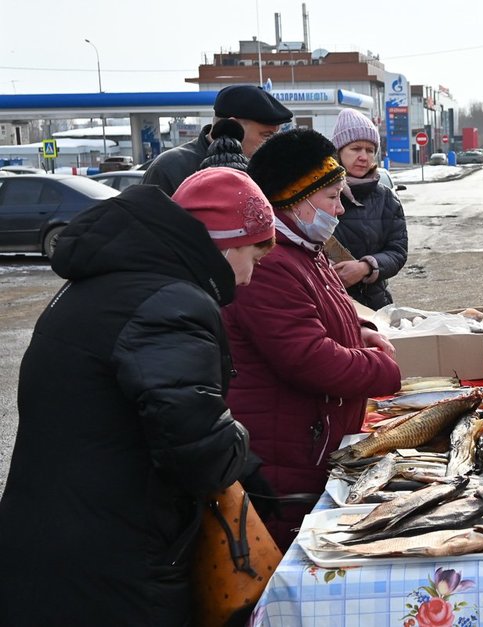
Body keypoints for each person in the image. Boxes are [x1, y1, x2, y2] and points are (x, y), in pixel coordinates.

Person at [0, 167, 277, 625]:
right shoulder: (171, 305)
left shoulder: (105, 282)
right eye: (254, 257)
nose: (249, 278)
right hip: (115, 558)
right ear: (226, 245)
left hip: (52, 537)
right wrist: (240, 440)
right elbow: (200, 453)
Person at [227, 128, 402, 550]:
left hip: (310, 442)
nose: (340, 210)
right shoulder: (270, 262)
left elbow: (321, 318)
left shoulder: (305, 247)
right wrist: (383, 370)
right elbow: (306, 357)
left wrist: (359, 331)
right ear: (294, 198)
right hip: (285, 455)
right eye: (332, 197)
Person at [143, 84, 293, 195]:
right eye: (266, 135)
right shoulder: (169, 169)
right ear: (232, 127)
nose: (272, 144)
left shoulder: (264, 170)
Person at [329, 107, 408, 310]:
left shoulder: (386, 198)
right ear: (338, 151)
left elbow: (397, 251)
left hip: (375, 306)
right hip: (329, 304)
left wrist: (366, 267)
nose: (364, 156)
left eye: (370, 150)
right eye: (355, 149)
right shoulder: (318, 194)